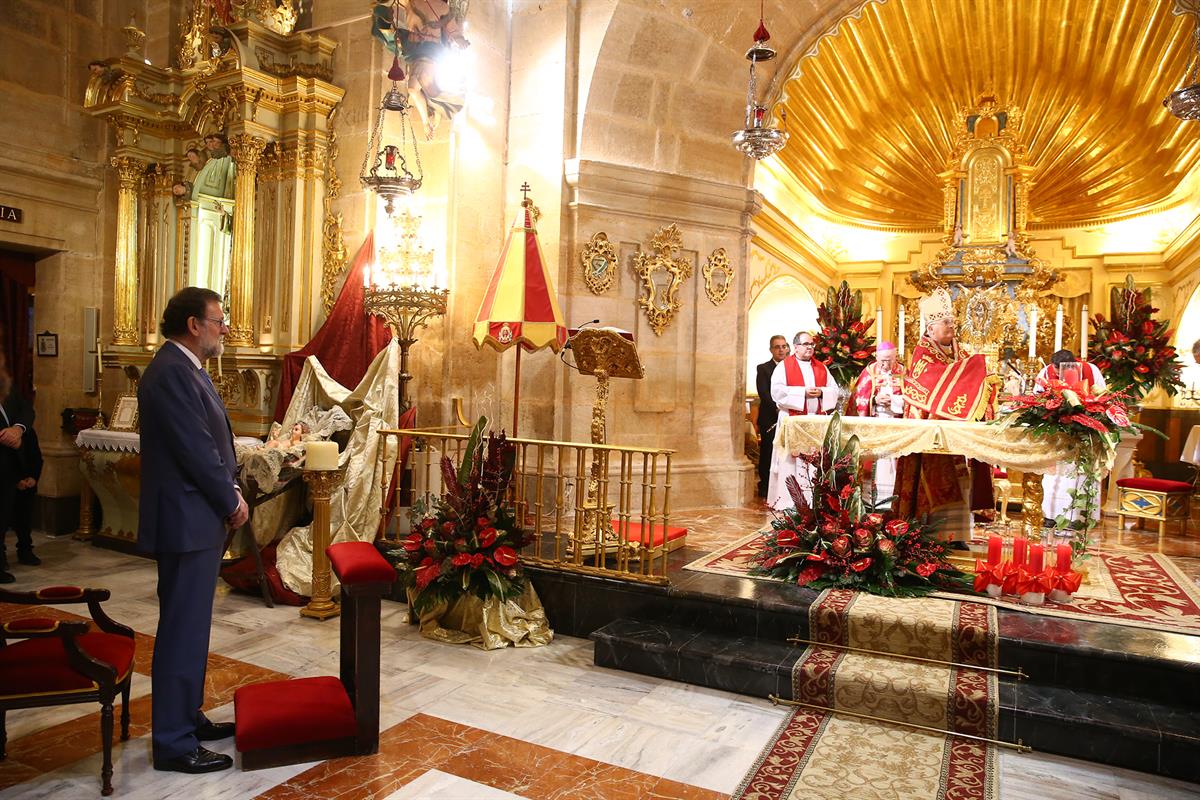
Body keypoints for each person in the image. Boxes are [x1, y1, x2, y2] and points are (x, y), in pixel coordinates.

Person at [138, 287, 247, 774]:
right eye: (218, 320)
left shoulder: (186, 369)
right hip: (186, 520)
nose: (224, 328)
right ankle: (174, 742)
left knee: (191, 627)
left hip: (195, 519)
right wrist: (231, 499)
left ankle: (186, 717)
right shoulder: (170, 373)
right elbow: (195, 449)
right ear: (192, 325)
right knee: (182, 630)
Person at [895, 288, 1000, 543]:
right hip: (930, 433)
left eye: (952, 321)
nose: (951, 326)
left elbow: (974, 379)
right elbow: (928, 383)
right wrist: (969, 371)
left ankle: (958, 535)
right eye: (945, 322)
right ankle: (930, 537)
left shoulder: (961, 352)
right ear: (930, 328)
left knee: (962, 483)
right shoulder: (922, 354)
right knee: (932, 484)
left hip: (958, 434)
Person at [766, 331, 840, 510]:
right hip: (793, 421)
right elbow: (777, 392)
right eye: (806, 344)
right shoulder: (784, 367)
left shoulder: (821, 367)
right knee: (790, 463)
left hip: (815, 423)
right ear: (796, 346)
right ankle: (787, 501)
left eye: (812, 345)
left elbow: (834, 390)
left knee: (813, 462)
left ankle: (813, 501)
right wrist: (802, 393)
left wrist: (822, 392)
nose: (810, 348)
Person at [1035, 349, 1107, 528]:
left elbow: (1102, 397)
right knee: (1053, 477)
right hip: (1056, 435)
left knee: (1081, 474)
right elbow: (1037, 397)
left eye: (1063, 369)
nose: (1060, 374)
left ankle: (1080, 517)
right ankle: (1050, 515)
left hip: (1083, 432)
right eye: (1057, 370)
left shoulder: (1091, 370)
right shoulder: (1045, 372)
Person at [852, 341, 905, 504]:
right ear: (876, 356)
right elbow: (857, 398)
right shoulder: (869, 372)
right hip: (874, 423)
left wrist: (895, 401)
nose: (885, 364)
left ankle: (896, 499)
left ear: (896, 357)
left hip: (897, 425)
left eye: (889, 360)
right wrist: (874, 400)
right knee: (876, 462)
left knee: (893, 464)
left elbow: (914, 398)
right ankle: (870, 499)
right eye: (882, 360)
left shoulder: (904, 372)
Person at [0, 359, 34, 583]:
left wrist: (17, 429)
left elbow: (26, 409)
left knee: (4, 513)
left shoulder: (8, 387)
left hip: (11, 463)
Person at [754, 335, 790, 499]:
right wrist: (777, 408)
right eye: (777, 347)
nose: (781, 349)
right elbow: (764, 392)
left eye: (784, 346)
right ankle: (765, 485)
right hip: (770, 416)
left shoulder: (792, 367)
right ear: (771, 350)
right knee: (768, 451)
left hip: (789, 416)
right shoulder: (764, 368)